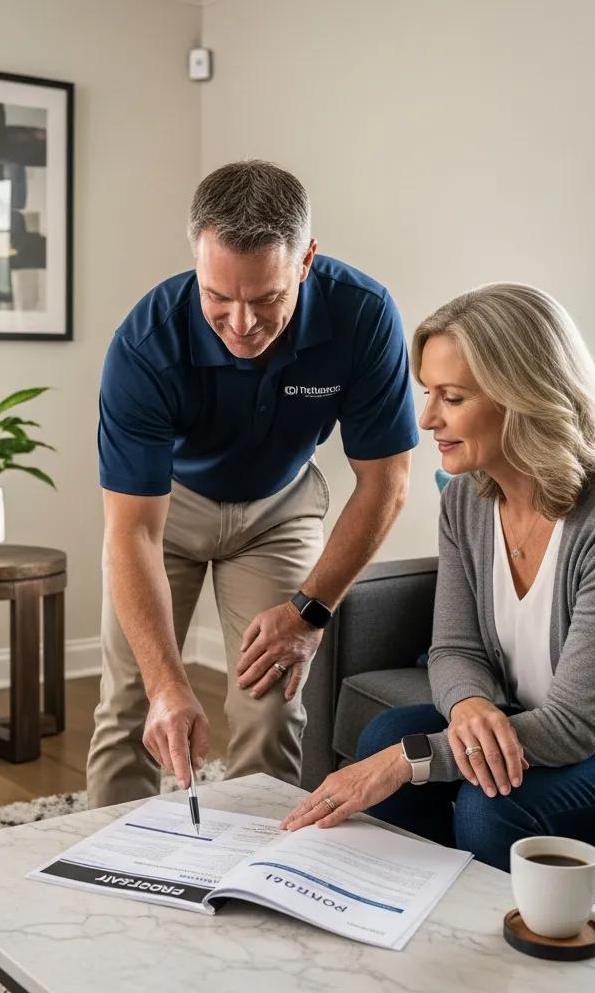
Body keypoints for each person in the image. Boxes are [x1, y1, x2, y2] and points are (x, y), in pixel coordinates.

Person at [281, 282, 595, 872]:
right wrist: (470, 705)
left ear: (521, 395)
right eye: (428, 394)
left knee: (491, 806)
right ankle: (403, 914)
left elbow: (574, 727)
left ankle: (489, 954)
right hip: (545, 720)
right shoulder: (467, 502)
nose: (427, 418)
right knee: (386, 733)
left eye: (450, 397)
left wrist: (411, 760)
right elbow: (453, 647)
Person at [87, 161, 418, 807]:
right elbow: (131, 532)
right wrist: (167, 685)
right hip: (167, 514)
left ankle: (250, 881)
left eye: (266, 299)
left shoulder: (363, 316)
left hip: (279, 509)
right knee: (132, 705)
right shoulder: (145, 343)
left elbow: (387, 484)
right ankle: (104, 880)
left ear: (306, 261)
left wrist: (309, 612)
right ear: (196, 260)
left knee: (271, 713)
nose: (241, 322)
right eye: (219, 297)